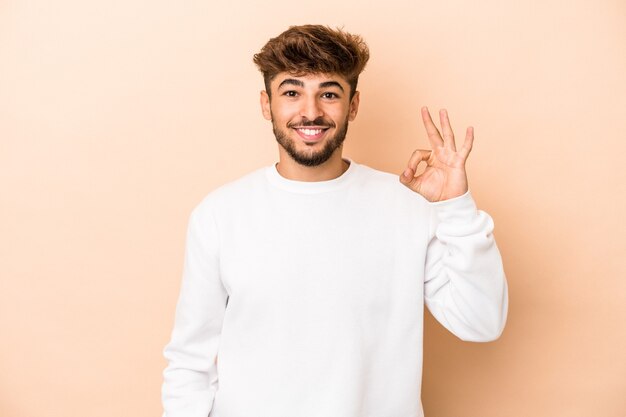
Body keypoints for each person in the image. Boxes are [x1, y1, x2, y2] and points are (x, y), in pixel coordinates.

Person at [161, 24, 508, 417]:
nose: (311, 111)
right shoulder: (220, 214)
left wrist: (456, 207)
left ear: (353, 105)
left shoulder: (408, 206)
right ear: (266, 104)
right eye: (292, 93)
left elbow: (482, 323)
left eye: (329, 93)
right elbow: (190, 363)